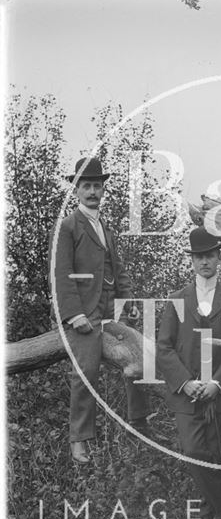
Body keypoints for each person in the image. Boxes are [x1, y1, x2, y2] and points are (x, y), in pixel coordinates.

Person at [50, 157, 150, 465]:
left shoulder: (106, 227)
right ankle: (79, 439)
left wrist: (128, 302)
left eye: (97, 185)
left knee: (141, 352)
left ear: (103, 189)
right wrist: (73, 314)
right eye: (87, 186)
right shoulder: (68, 227)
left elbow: (118, 271)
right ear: (76, 190)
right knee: (86, 372)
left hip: (110, 313)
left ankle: (139, 422)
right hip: (84, 314)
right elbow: (60, 273)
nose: (93, 191)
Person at [156, 227, 221, 519]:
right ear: (192, 261)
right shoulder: (178, 300)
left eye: (210, 255)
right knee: (194, 452)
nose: (205, 261)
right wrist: (186, 382)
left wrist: (217, 383)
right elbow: (163, 348)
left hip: (217, 394)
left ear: (219, 258)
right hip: (185, 393)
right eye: (199, 257)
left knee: (220, 456)